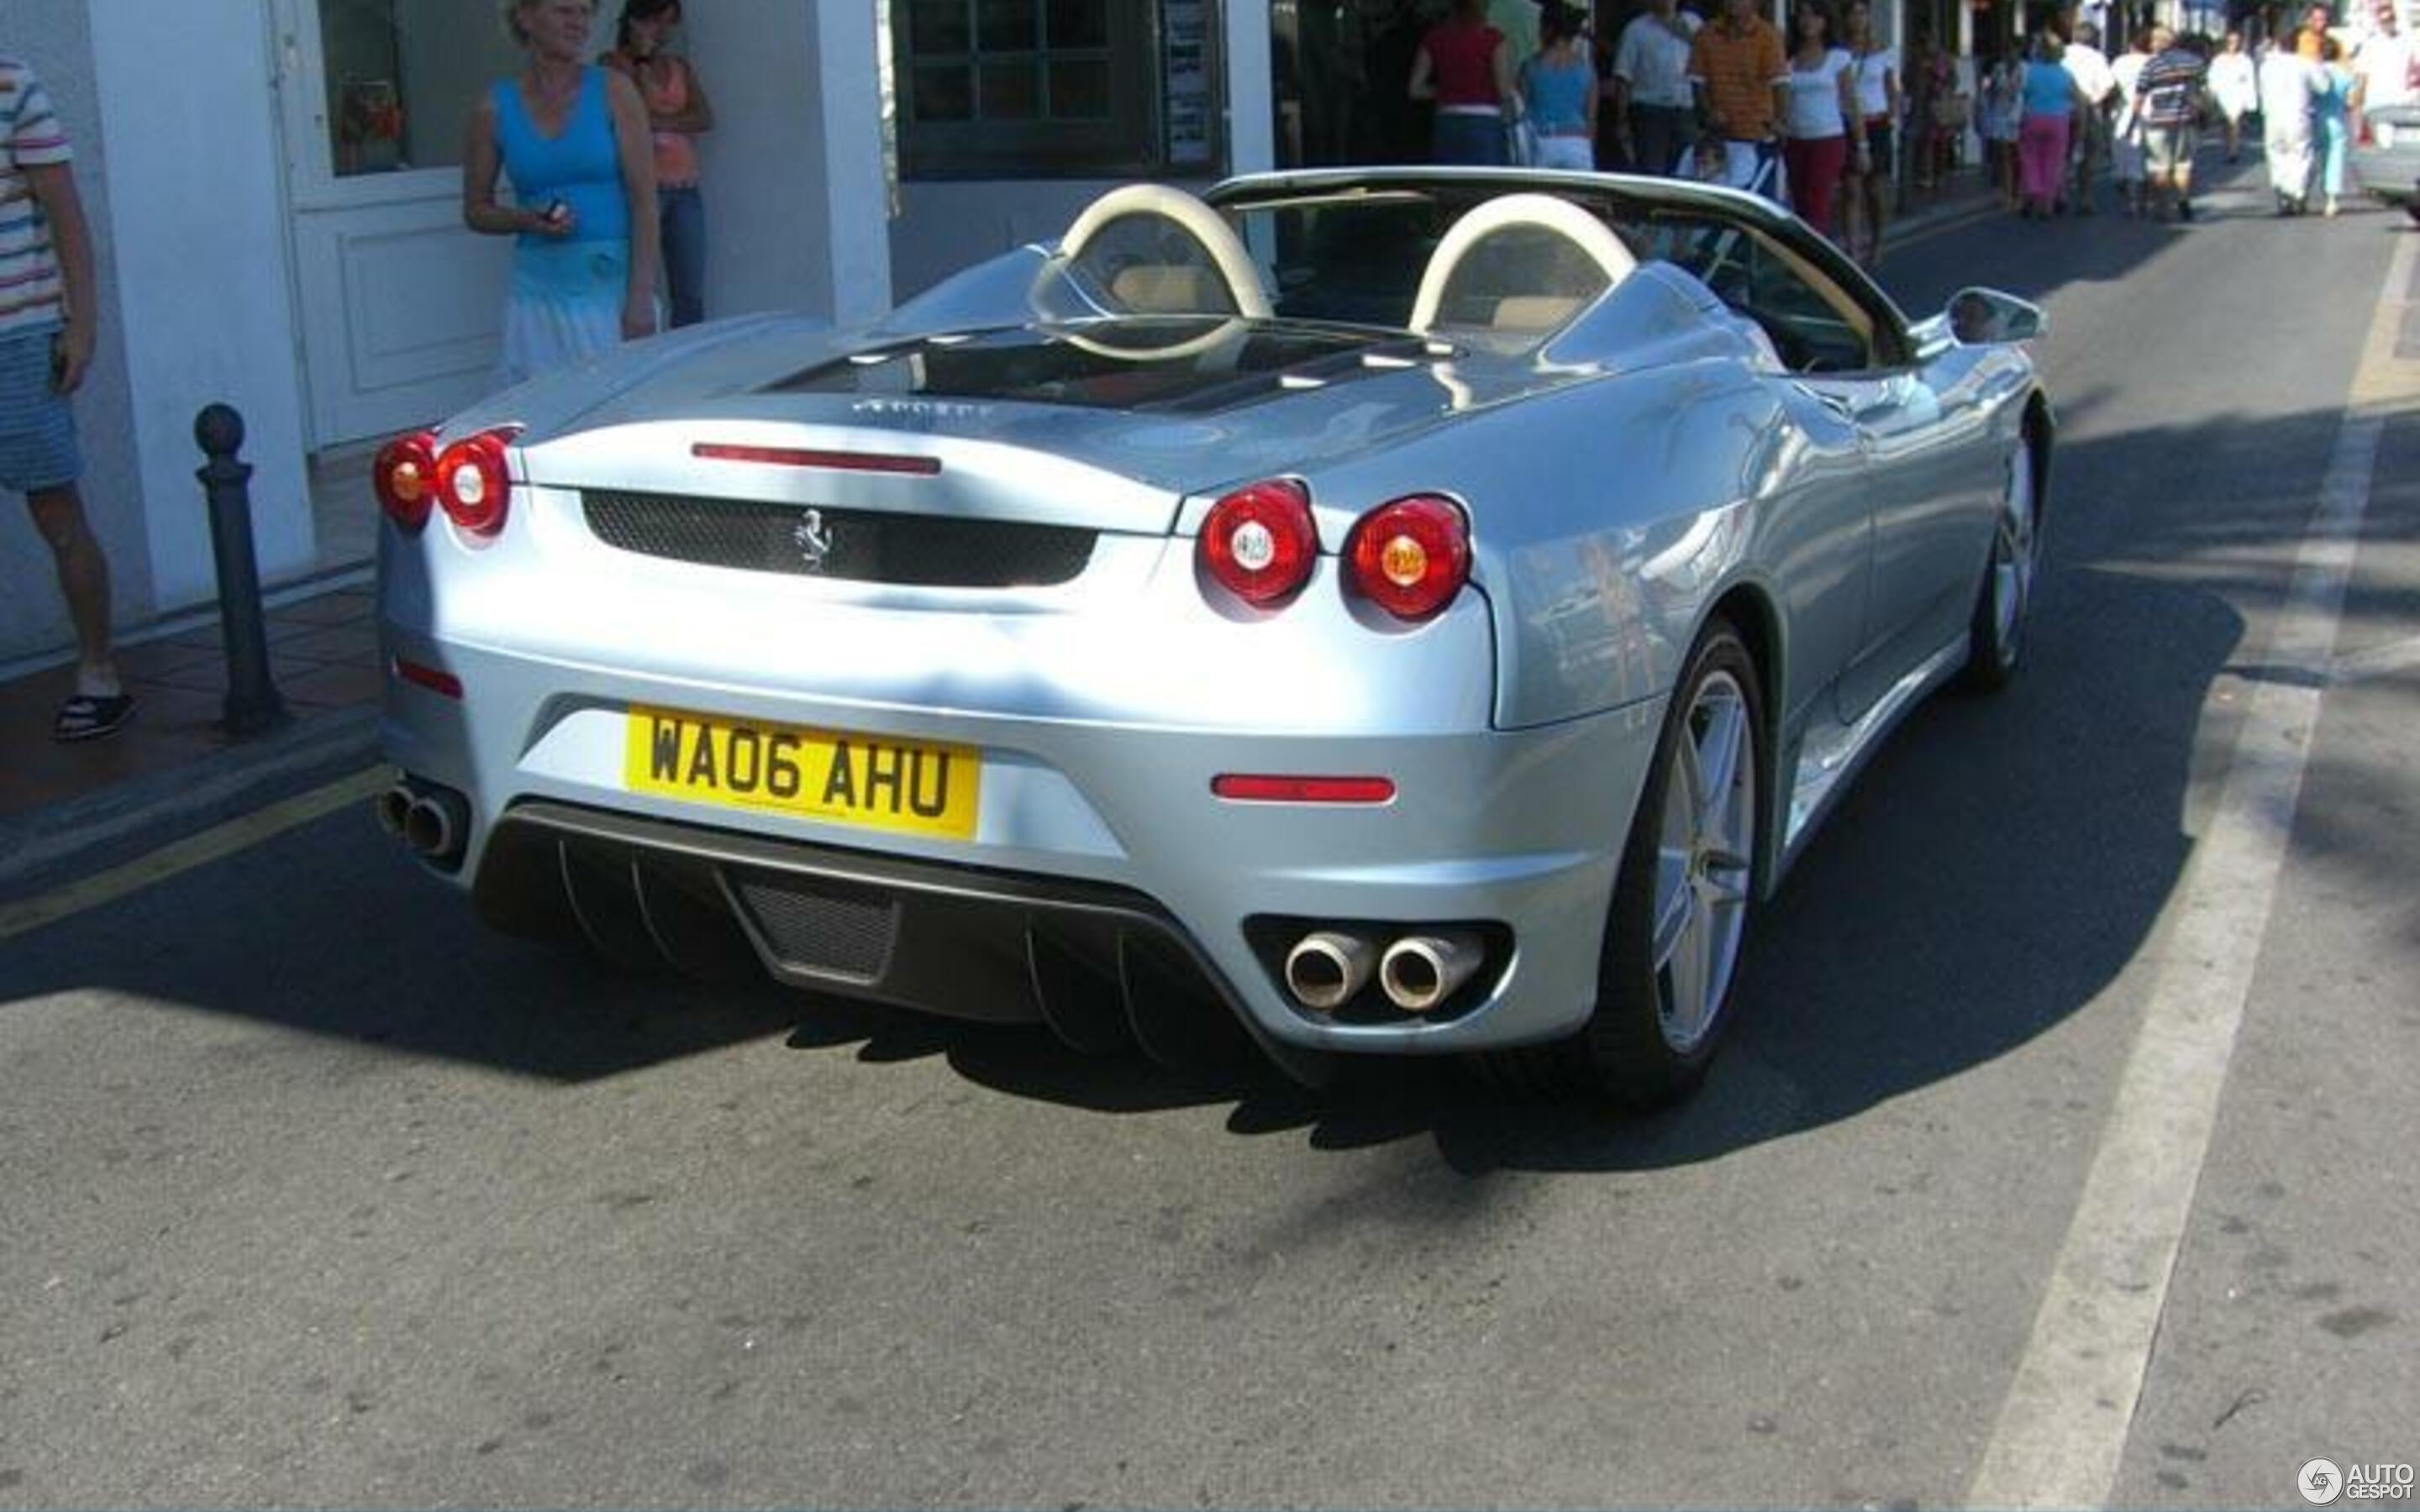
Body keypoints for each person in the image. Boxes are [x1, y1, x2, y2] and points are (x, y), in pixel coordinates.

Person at [2, 53, 129, 741]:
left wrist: (81, 326)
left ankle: (99, 672)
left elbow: (66, 215)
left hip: (17, 336)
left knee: (56, 512)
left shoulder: (13, 82)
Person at [465, 0, 662, 388]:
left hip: (611, 294)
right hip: (537, 300)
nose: (579, 24)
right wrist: (525, 218)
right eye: (564, 11)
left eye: (585, 13)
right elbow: (475, 210)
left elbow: (645, 203)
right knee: (542, 421)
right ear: (525, 17)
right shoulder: (494, 107)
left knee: (617, 421)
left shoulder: (614, 90)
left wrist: (640, 298)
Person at [603, 0, 712, 328]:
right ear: (635, 20)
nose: (661, 31)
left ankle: (690, 365)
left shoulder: (679, 67)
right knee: (639, 285)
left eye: (668, 23)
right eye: (654, 22)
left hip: (685, 189)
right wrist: (640, 64)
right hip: (641, 190)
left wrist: (656, 120)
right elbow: (626, 115)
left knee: (689, 290)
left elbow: (704, 117)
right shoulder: (613, 65)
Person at [1688, 0, 1790, 195]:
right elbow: (1697, 83)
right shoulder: (1705, 34)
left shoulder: (1768, 35)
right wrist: (1708, 112)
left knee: (1757, 202)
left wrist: (1780, 122)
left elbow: (1780, 82)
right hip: (1719, 137)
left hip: (1757, 134)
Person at [1778, 3, 1860, 238]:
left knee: (1818, 205)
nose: (1808, 21)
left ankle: (1815, 266)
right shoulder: (1788, 59)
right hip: (1795, 139)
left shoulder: (1838, 57)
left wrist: (1862, 144)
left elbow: (1850, 101)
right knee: (1800, 205)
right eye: (1803, 15)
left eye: (1814, 15)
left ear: (1825, 22)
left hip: (1827, 139)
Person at [1410, 0, 1518, 165]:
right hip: (1485, 121)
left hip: (1447, 120)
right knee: (1487, 184)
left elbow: (1415, 89)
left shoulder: (1434, 39)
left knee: (1449, 183)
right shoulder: (1494, 40)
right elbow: (1503, 90)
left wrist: (1446, 90)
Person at [1612, 0, 1702, 174]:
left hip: (1686, 111)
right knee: (1652, 170)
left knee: (1687, 169)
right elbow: (1624, 77)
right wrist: (1622, 119)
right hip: (1650, 112)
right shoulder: (1636, 29)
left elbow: (1707, 62)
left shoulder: (1694, 23)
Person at [1840, 0, 1900, 264]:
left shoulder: (1883, 51)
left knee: (1875, 190)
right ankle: (1853, 250)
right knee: (1851, 189)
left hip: (1877, 124)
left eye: (1862, 13)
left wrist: (1894, 117)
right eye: (1852, 14)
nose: (1857, 19)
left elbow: (1891, 89)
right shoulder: (1839, 53)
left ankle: (1877, 243)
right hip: (1848, 124)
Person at [2134, 25, 2207, 220]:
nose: (2151, 45)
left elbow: (2140, 95)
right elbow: (2203, 91)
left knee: (2160, 166)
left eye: (2154, 41)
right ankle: (2183, 199)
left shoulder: (2152, 65)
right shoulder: (2195, 62)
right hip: (2186, 120)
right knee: (2183, 164)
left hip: (2159, 121)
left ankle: (2163, 209)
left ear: (2161, 43)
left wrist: (2135, 118)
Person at [1520, 4, 1600, 169]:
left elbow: (1522, 110)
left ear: (1546, 29)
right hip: (1578, 141)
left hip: (1542, 141)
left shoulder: (1530, 67)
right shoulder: (1587, 70)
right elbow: (1591, 119)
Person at [2016, 31, 2086, 220]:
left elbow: (2018, 92)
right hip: (2058, 120)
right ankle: (2048, 203)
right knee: (2054, 162)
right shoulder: (2064, 73)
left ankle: (2033, 192)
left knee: (2030, 158)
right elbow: (2078, 99)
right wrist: (2080, 122)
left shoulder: (2029, 71)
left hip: (2032, 117)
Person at [2259, 28, 2322, 212]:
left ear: (2278, 46)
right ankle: (2298, 193)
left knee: (2277, 154)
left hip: (2273, 116)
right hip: (2298, 115)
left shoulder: (2267, 66)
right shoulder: (2304, 64)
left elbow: (2262, 89)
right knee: (2300, 154)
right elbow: (2323, 87)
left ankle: (2282, 191)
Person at [2061, 22, 2117, 212]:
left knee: (2063, 154)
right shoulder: (2096, 57)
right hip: (2089, 111)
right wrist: (2094, 101)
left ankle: (2061, 193)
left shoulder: (2061, 53)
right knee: (2087, 156)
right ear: (2093, 39)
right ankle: (2085, 197)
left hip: (2062, 109)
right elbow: (2108, 86)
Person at [2110, 26, 2152, 214]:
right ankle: (2143, 200)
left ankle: (2132, 200)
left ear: (2131, 44)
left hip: (2125, 113)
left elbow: (2112, 87)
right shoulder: (2154, 62)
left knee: (2127, 155)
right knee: (2145, 158)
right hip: (2152, 113)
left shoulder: (2120, 62)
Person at [1980, 45, 2025, 211]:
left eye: (2014, 51)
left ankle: (2019, 193)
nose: (2010, 55)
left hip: (2019, 115)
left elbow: (2026, 91)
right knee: (2004, 157)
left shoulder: (2025, 69)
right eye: (2007, 52)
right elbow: (1989, 90)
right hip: (2000, 115)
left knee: (2018, 156)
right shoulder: (1999, 69)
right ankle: (2007, 194)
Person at [2314, 35, 2354, 214]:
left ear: (2320, 53)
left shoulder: (2315, 71)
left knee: (2318, 157)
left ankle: (2311, 190)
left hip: (2315, 119)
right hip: (2337, 119)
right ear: (2337, 53)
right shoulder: (2345, 74)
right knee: (2336, 158)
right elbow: (2351, 102)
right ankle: (2332, 200)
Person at [2207, 31, 2259, 160]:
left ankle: (2233, 151)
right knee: (2226, 123)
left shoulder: (2246, 60)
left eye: (2236, 41)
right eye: (2231, 41)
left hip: (2238, 95)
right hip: (2223, 94)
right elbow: (2212, 78)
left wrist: (2251, 101)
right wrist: (2212, 94)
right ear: (2226, 43)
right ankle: (2228, 144)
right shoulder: (2218, 60)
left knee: (2234, 122)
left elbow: (2250, 80)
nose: (2233, 44)